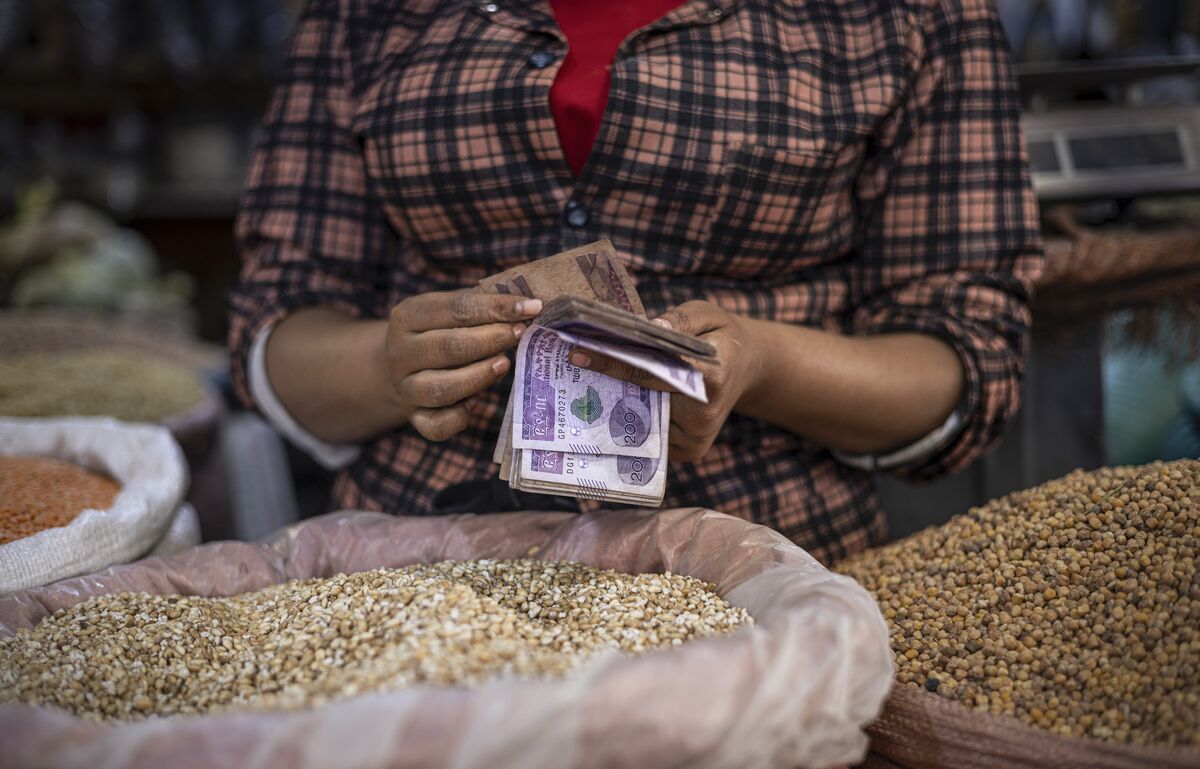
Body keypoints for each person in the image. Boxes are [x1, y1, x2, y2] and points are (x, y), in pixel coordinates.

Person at [229, 0, 1042, 564]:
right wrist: (387, 365)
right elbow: (279, 322)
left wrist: (764, 364)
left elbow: (966, 359)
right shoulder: (365, 14)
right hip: (413, 561)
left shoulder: (905, 16)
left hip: (755, 568)